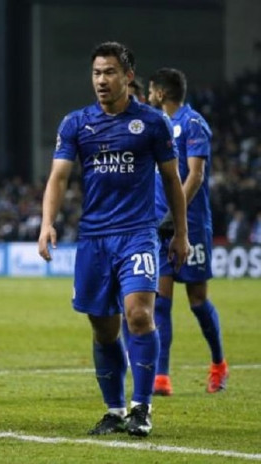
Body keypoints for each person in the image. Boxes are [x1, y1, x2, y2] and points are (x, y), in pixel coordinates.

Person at [38, 41, 189, 437]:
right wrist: (47, 223)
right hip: (94, 239)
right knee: (103, 329)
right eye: (96, 73)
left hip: (138, 234)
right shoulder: (76, 124)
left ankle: (142, 408)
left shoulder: (152, 124)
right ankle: (114, 409)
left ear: (128, 76)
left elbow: (173, 181)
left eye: (109, 73)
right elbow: (58, 177)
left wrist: (180, 234)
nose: (101, 80)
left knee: (139, 315)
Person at [147, 68, 228, 395]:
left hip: (190, 225)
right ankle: (161, 376)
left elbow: (195, 175)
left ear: (162, 92)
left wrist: (173, 213)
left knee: (197, 300)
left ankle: (219, 364)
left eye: (151, 90)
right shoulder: (158, 124)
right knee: (161, 301)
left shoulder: (193, 124)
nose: (149, 96)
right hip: (158, 223)